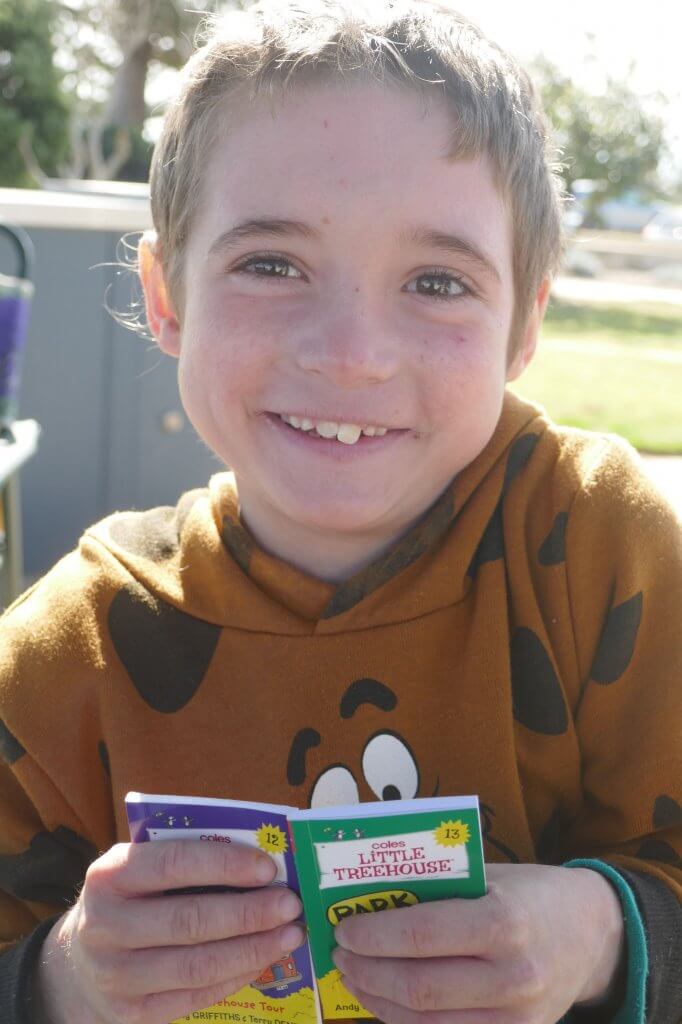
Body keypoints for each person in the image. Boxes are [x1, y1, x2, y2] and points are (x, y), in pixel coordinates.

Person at [0, 2, 680, 1022]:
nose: (349, 352)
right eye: (270, 263)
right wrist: (60, 978)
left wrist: (601, 933)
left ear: (522, 326)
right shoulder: (64, 658)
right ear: (167, 294)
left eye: (437, 281)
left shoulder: (597, 547)